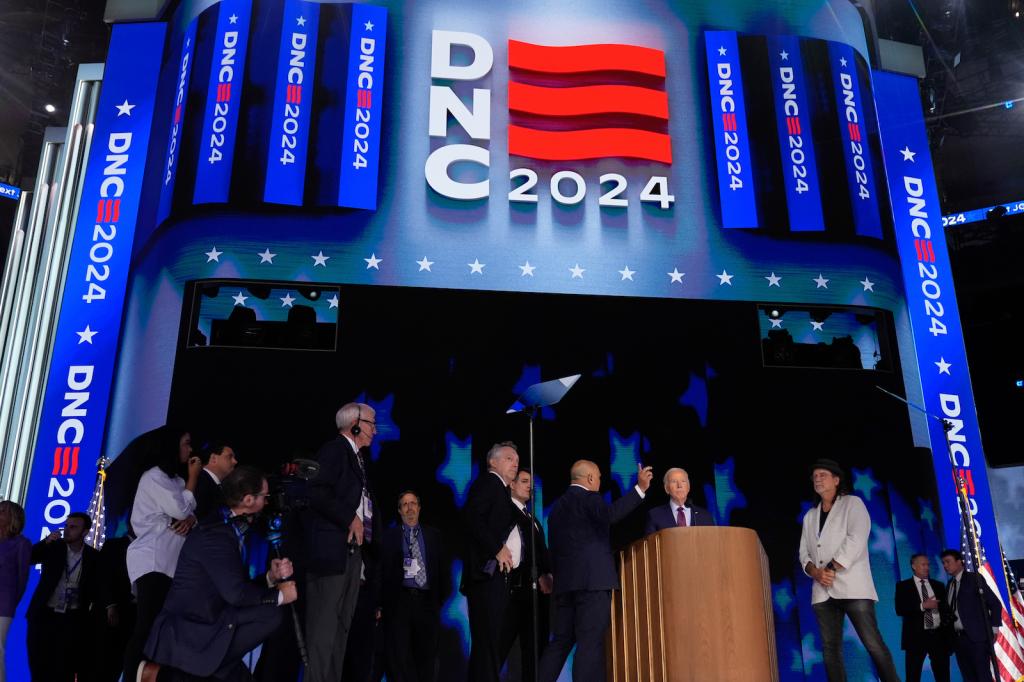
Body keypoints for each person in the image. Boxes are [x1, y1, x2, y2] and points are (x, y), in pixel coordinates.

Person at [142, 465, 297, 681]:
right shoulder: (216, 534)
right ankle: (164, 676)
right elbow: (236, 594)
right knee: (271, 614)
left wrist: (270, 578)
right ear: (248, 500)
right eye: (265, 496)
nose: (267, 502)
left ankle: (168, 676)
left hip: (217, 617)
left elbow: (235, 586)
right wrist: (279, 595)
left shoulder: (231, 528)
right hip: (192, 627)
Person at [537, 460, 653, 682]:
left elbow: (554, 547)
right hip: (592, 584)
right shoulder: (589, 498)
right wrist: (639, 489)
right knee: (590, 643)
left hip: (565, 586)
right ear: (590, 478)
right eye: (599, 477)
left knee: (560, 642)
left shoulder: (557, 508)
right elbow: (610, 515)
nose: (599, 481)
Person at [798, 458, 900, 682]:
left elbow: (857, 538)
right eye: (815, 477)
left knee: (873, 644)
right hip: (822, 591)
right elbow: (803, 552)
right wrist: (815, 572)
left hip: (853, 587)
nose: (817, 479)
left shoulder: (852, 504)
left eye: (823, 475)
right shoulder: (810, 516)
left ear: (836, 480)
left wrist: (831, 568)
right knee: (830, 650)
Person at [303, 402, 378, 682]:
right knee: (323, 631)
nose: (375, 430)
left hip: (352, 552)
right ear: (354, 424)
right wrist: (349, 518)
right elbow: (316, 490)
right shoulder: (335, 450)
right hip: (331, 553)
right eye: (372, 423)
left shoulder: (359, 459)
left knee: (341, 629)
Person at [124, 427, 202, 681]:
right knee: (146, 625)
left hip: (170, 564)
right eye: (186, 443)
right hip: (152, 560)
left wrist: (191, 518)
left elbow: (188, 515)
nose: (190, 449)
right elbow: (181, 510)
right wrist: (193, 478)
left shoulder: (175, 481)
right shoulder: (153, 477)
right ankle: (132, 675)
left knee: (161, 628)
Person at [462, 441, 520, 682]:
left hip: (491, 577)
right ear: (492, 462)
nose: (515, 464)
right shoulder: (489, 483)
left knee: (487, 644)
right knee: (487, 643)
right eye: (509, 458)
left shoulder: (501, 490)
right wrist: (497, 548)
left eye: (517, 461)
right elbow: (472, 517)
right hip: (484, 576)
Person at [26, 511, 100, 681]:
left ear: (85, 532)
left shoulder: (93, 557)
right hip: (44, 615)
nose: (67, 530)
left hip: (72, 619)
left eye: (73, 527)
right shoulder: (53, 547)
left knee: (64, 669)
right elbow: (28, 558)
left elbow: (97, 588)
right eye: (66, 526)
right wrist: (45, 542)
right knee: (39, 668)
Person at [380, 490, 444, 682]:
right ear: (399, 510)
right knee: (399, 658)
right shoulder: (389, 537)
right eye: (405, 504)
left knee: (427, 658)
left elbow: (442, 570)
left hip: (426, 602)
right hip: (399, 601)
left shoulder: (434, 535)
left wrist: (437, 602)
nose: (410, 508)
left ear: (419, 508)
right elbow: (381, 571)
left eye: (413, 503)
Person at [499, 469, 553, 682]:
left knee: (534, 654)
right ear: (511, 485)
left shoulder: (533, 519)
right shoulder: (506, 513)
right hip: (513, 593)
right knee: (499, 648)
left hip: (534, 596)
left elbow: (541, 551)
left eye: (531, 482)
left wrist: (547, 573)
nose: (529, 486)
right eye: (523, 481)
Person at [940, 548, 1002, 682]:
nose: (945, 566)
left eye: (948, 562)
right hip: (958, 641)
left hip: (977, 639)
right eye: (943, 563)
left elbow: (995, 604)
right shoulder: (949, 585)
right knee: (968, 677)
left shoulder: (974, 579)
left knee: (982, 677)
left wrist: (994, 629)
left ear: (959, 562)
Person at [895, 553, 953, 682]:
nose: (927, 567)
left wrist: (948, 637)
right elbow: (900, 609)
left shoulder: (939, 585)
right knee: (913, 676)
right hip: (915, 638)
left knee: (943, 676)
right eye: (923, 565)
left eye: (928, 565)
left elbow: (946, 611)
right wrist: (922, 606)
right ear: (913, 566)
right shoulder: (903, 586)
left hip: (938, 637)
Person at [0, 500, 31, 682]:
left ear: (13, 517)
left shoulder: (22, 543)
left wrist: (11, 601)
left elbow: (22, 579)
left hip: (4, 604)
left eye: (3, 511)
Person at [644, 467, 716, 532]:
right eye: (674, 481)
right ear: (666, 489)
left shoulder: (705, 516)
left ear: (688, 487)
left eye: (683, 481)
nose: (679, 485)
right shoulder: (655, 515)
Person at [194, 441, 238, 522]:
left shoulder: (213, 484)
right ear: (213, 459)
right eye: (229, 457)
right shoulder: (199, 481)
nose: (235, 461)